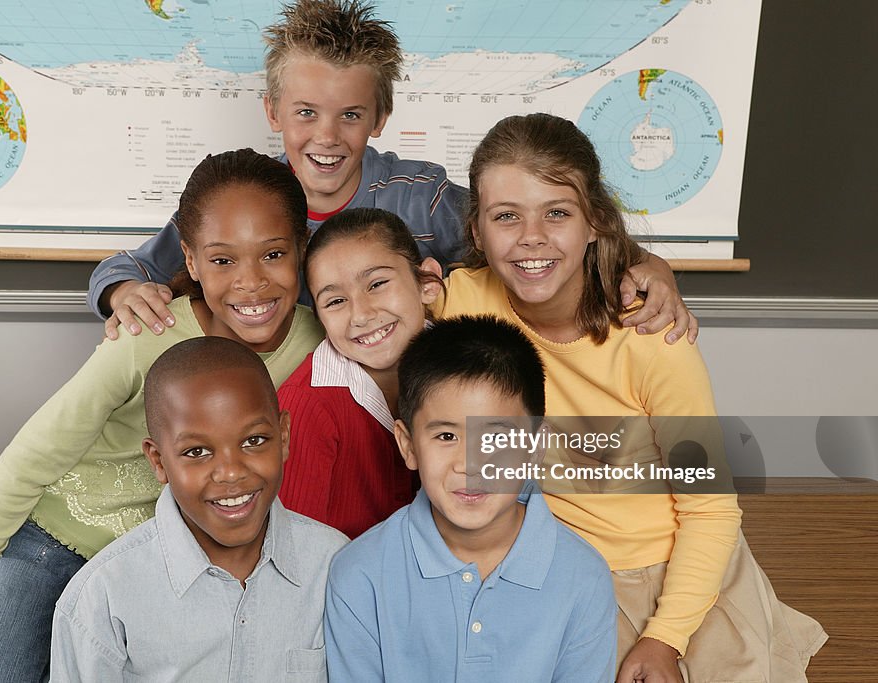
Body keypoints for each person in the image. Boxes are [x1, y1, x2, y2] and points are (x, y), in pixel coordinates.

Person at [439, 113, 827, 682]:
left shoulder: (653, 338)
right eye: (506, 217)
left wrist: (666, 638)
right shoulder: (462, 304)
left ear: (595, 221)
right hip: (559, 568)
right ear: (476, 232)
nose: (531, 238)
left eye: (557, 213)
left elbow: (710, 507)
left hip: (676, 570)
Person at [0, 149, 324, 683]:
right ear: (189, 260)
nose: (251, 283)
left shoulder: (318, 340)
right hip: (56, 544)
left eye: (273, 255)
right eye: (223, 260)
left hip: (164, 565)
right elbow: (31, 458)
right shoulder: (147, 334)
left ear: (302, 249)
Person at [89, 0, 695, 345]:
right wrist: (123, 290)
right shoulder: (242, 202)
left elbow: (526, 237)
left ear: (380, 117)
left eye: (350, 115)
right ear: (272, 111)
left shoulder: (422, 198)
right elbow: (131, 266)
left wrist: (653, 266)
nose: (326, 137)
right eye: (306, 113)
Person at [324, 315, 617, 681]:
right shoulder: (359, 574)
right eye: (446, 437)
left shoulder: (583, 576)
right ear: (408, 445)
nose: (470, 464)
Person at [50, 337, 347, 681]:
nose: (231, 472)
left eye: (253, 441)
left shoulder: (335, 566)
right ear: (158, 461)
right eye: (196, 452)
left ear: (283, 436)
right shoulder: (102, 598)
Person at [278, 208, 442, 537]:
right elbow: (293, 549)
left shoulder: (470, 371)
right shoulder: (306, 406)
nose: (362, 315)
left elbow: (500, 505)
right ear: (319, 317)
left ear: (426, 282)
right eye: (336, 301)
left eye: (377, 284)